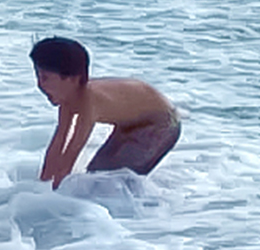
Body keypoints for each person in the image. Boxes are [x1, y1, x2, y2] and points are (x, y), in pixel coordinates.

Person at [30, 36, 179, 188]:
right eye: (37, 76)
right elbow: (59, 141)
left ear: (72, 79)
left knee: (106, 181)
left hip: (163, 123)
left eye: (45, 78)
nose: (39, 85)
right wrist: (43, 182)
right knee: (98, 174)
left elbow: (72, 151)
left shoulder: (89, 102)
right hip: (131, 123)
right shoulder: (68, 99)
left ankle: (144, 207)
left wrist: (55, 191)